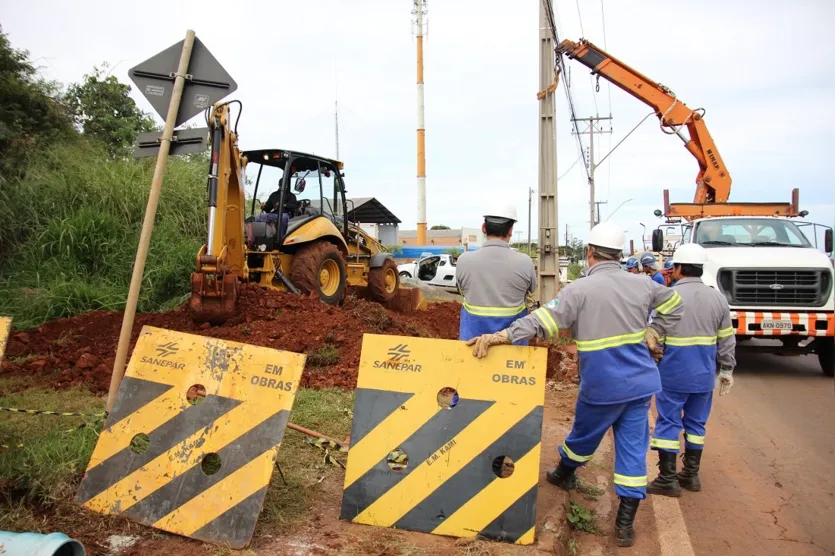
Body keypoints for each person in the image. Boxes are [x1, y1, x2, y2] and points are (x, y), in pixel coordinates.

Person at [466, 221, 683, 547]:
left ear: (590, 252)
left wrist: (501, 336)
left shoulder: (579, 290)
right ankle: (625, 525)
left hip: (603, 386)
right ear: (619, 254)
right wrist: (656, 333)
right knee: (634, 449)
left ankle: (564, 472)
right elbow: (674, 305)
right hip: (641, 386)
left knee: (584, 436)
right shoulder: (643, 285)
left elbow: (540, 322)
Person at [646, 243, 736, 497]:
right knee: (697, 424)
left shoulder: (669, 297)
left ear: (680, 268)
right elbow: (727, 339)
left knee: (668, 423)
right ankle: (691, 475)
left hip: (673, 374)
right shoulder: (717, 298)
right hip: (704, 376)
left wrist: (650, 360)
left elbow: (655, 338)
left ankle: (667, 478)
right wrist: (727, 369)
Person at [456, 201, 537, 345]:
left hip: (472, 347)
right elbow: (531, 290)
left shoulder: (464, 261)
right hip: (513, 350)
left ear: (483, 228)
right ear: (511, 230)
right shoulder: (525, 262)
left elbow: (461, 289)